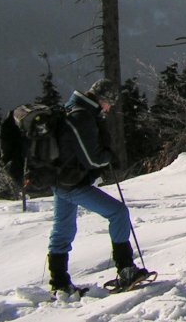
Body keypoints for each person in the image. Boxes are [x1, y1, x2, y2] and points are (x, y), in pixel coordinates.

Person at [47, 78, 151, 295]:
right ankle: (125, 269)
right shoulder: (82, 116)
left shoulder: (71, 107)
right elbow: (91, 160)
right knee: (118, 213)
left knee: (63, 229)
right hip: (73, 182)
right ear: (104, 99)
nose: (109, 108)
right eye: (110, 103)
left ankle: (58, 282)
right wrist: (108, 157)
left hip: (59, 179)